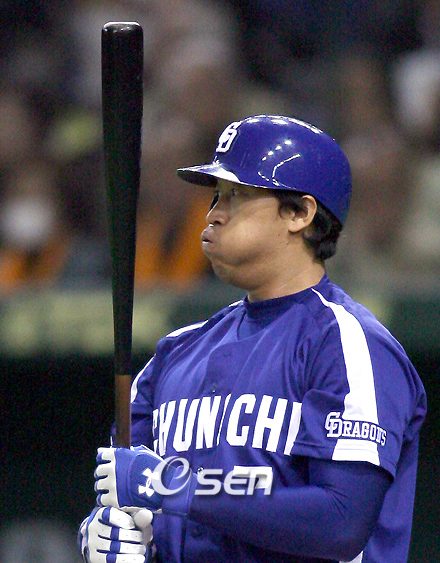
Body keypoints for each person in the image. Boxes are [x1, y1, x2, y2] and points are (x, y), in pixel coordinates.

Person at [79, 115, 427, 563]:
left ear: (300, 214)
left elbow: (342, 523)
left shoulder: (348, 344)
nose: (213, 213)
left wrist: (175, 489)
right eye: (216, 196)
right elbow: (128, 499)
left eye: (237, 195)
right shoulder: (174, 353)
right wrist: (110, 534)